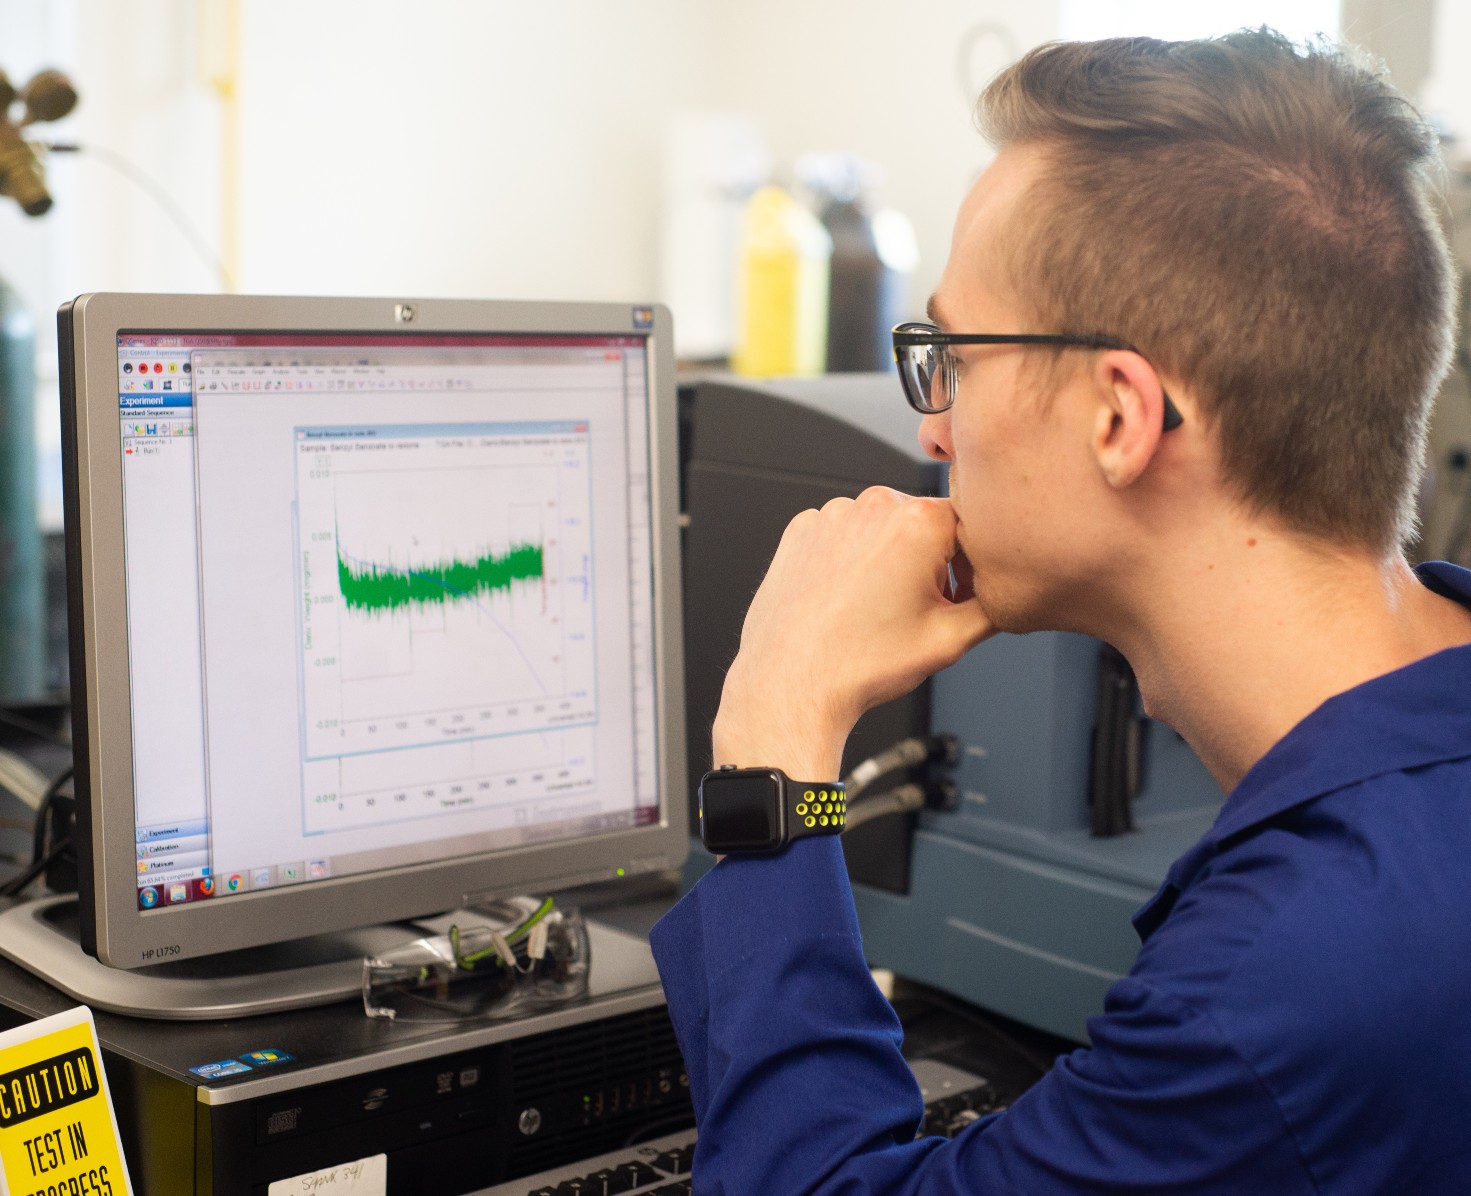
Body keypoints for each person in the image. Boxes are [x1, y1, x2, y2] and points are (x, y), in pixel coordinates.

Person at [649, 28, 1471, 1194]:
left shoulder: (1285, 983)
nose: (933, 429)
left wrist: (776, 743)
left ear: (1118, 418)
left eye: (951, 356)